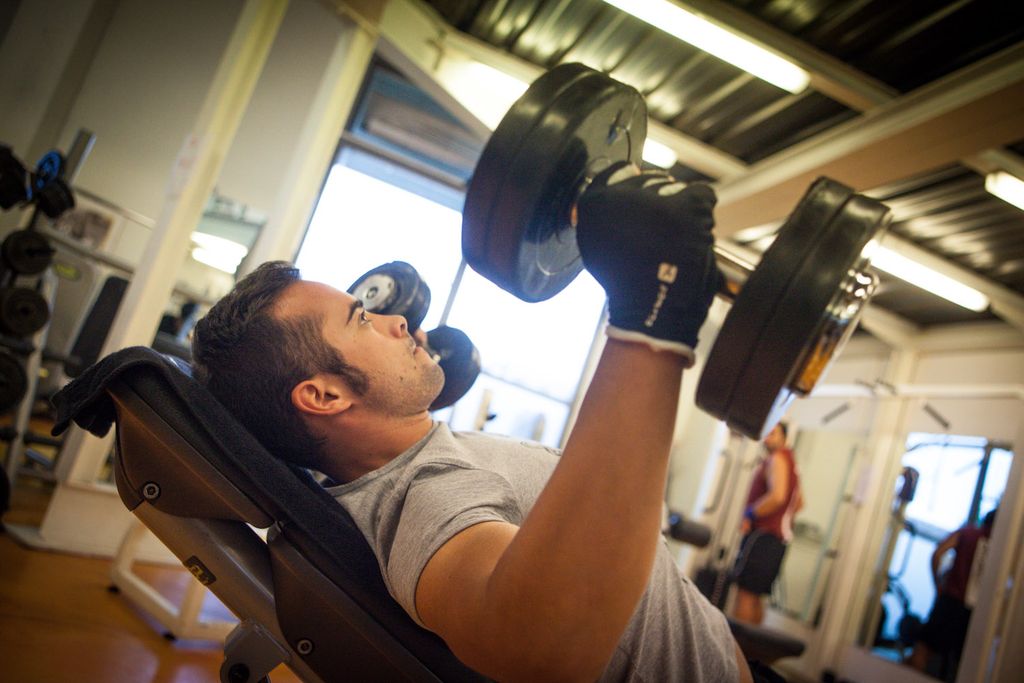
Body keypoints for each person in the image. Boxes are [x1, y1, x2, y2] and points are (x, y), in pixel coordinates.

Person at [191, 162, 755, 682]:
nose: (398, 322)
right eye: (362, 319)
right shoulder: (421, 496)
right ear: (324, 395)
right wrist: (650, 318)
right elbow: (537, 644)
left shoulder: (415, 459)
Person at [908, 508, 997, 676]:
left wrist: (938, 585)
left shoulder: (968, 533)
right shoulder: (999, 547)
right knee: (962, 662)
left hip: (950, 600)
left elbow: (937, 554)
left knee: (924, 649)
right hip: (974, 610)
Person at [732, 422, 803, 625]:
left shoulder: (777, 458)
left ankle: (735, 645)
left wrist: (750, 514)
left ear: (784, 438)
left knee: (745, 596)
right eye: (767, 433)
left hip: (762, 537)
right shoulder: (791, 463)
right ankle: (750, 646)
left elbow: (777, 497)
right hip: (777, 541)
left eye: (773, 434)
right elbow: (799, 503)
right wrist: (781, 520)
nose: (767, 438)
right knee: (755, 598)